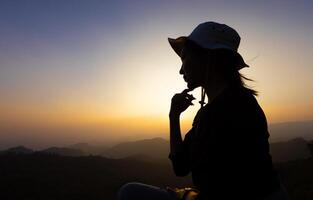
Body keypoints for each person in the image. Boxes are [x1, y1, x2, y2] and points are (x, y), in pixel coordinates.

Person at [117, 21, 289, 200]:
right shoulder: (233, 104)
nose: (181, 70)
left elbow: (187, 169)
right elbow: (181, 165)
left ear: (208, 59)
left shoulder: (226, 111)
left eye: (184, 57)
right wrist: (174, 116)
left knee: (129, 193)